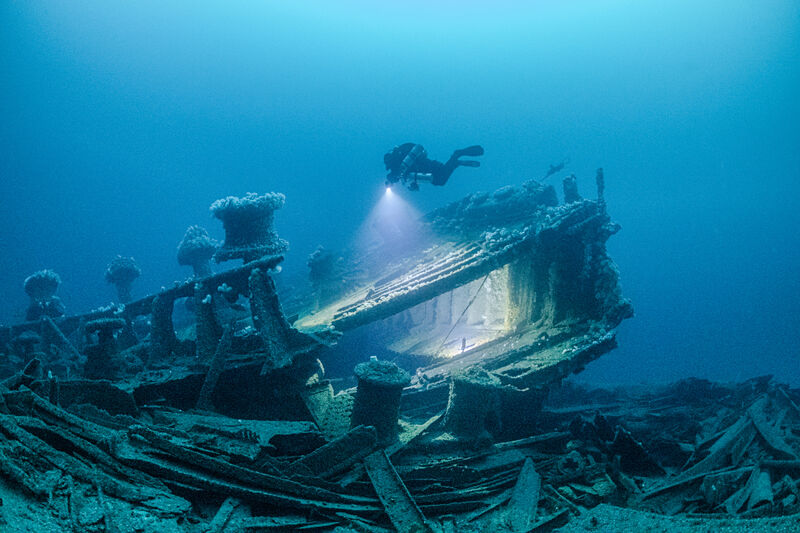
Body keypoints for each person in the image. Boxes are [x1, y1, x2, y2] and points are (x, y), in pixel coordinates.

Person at [384, 143, 484, 190]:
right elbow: (414, 172)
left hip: (430, 168)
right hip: (431, 166)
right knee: (440, 181)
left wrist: (391, 179)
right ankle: (456, 161)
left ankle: (456, 156)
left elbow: (412, 169)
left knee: (440, 181)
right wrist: (415, 185)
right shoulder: (402, 169)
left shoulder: (399, 168)